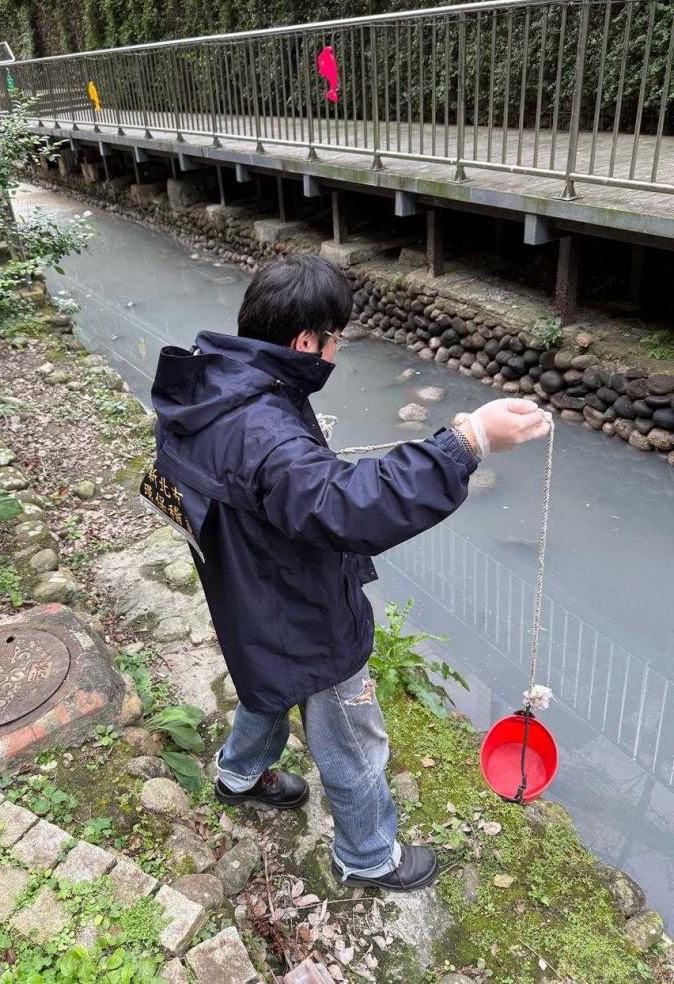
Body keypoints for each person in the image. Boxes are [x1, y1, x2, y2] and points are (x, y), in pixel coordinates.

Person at [143, 253, 549, 892]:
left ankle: (238, 775)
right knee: (351, 736)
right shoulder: (270, 435)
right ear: (307, 341)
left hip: (241, 586)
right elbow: (349, 508)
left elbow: (254, 476)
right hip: (299, 603)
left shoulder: (210, 382)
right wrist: (466, 441)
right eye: (335, 340)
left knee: (264, 676)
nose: (335, 353)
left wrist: (300, 457)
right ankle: (367, 856)